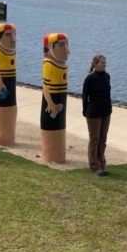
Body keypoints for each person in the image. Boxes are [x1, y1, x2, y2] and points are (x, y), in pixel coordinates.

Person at [40, 33, 69, 162]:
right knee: (52, 124)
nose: (67, 51)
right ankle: (51, 155)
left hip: (61, 98)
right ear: (50, 47)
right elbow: (46, 87)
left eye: (67, 45)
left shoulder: (62, 64)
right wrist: (50, 103)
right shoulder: (48, 64)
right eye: (62, 45)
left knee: (60, 123)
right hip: (51, 101)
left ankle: (57, 155)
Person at [82, 54, 112, 176]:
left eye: (105, 62)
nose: (104, 64)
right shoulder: (90, 79)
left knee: (103, 139)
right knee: (94, 140)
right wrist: (85, 111)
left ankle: (102, 164)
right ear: (95, 64)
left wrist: (109, 108)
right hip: (93, 113)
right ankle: (95, 167)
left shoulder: (107, 76)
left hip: (106, 112)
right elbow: (84, 96)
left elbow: (107, 95)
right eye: (101, 63)